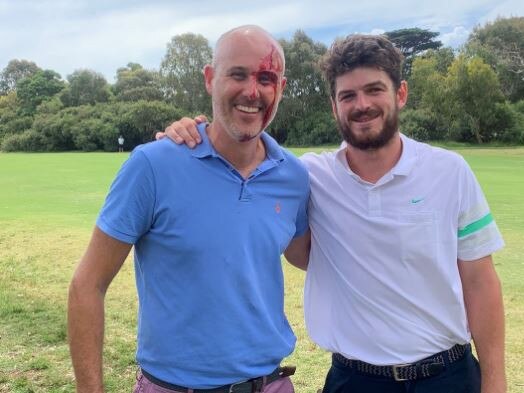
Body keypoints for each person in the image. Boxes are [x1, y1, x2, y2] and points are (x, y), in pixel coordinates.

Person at [161, 34, 506, 393]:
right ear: (334, 105)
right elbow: (240, 157)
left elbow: (480, 282)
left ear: (400, 94)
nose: (362, 105)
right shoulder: (308, 176)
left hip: (448, 376)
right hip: (354, 380)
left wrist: (495, 381)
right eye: (348, 95)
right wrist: (191, 131)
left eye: (374, 90)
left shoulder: (450, 171)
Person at [67, 25, 310, 393]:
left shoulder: (293, 175)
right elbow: (87, 285)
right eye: (238, 75)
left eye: (265, 77)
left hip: (269, 384)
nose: (252, 91)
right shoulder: (153, 165)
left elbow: (305, 255)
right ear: (210, 79)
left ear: (282, 88)